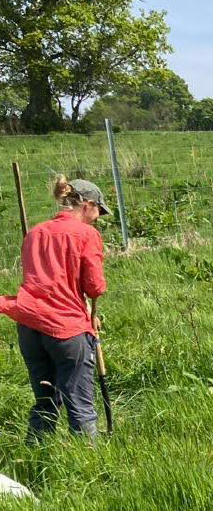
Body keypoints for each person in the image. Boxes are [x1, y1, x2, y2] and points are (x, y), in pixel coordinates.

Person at [0, 176, 111, 441]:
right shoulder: (86, 234)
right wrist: (91, 311)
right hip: (65, 327)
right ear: (87, 204)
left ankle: (37, 457)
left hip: (29, 325)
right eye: (98, 211)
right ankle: (87, 466)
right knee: (81, 406)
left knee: (45, 401)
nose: (98, 217)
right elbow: (94, 286)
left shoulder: (35, 233)